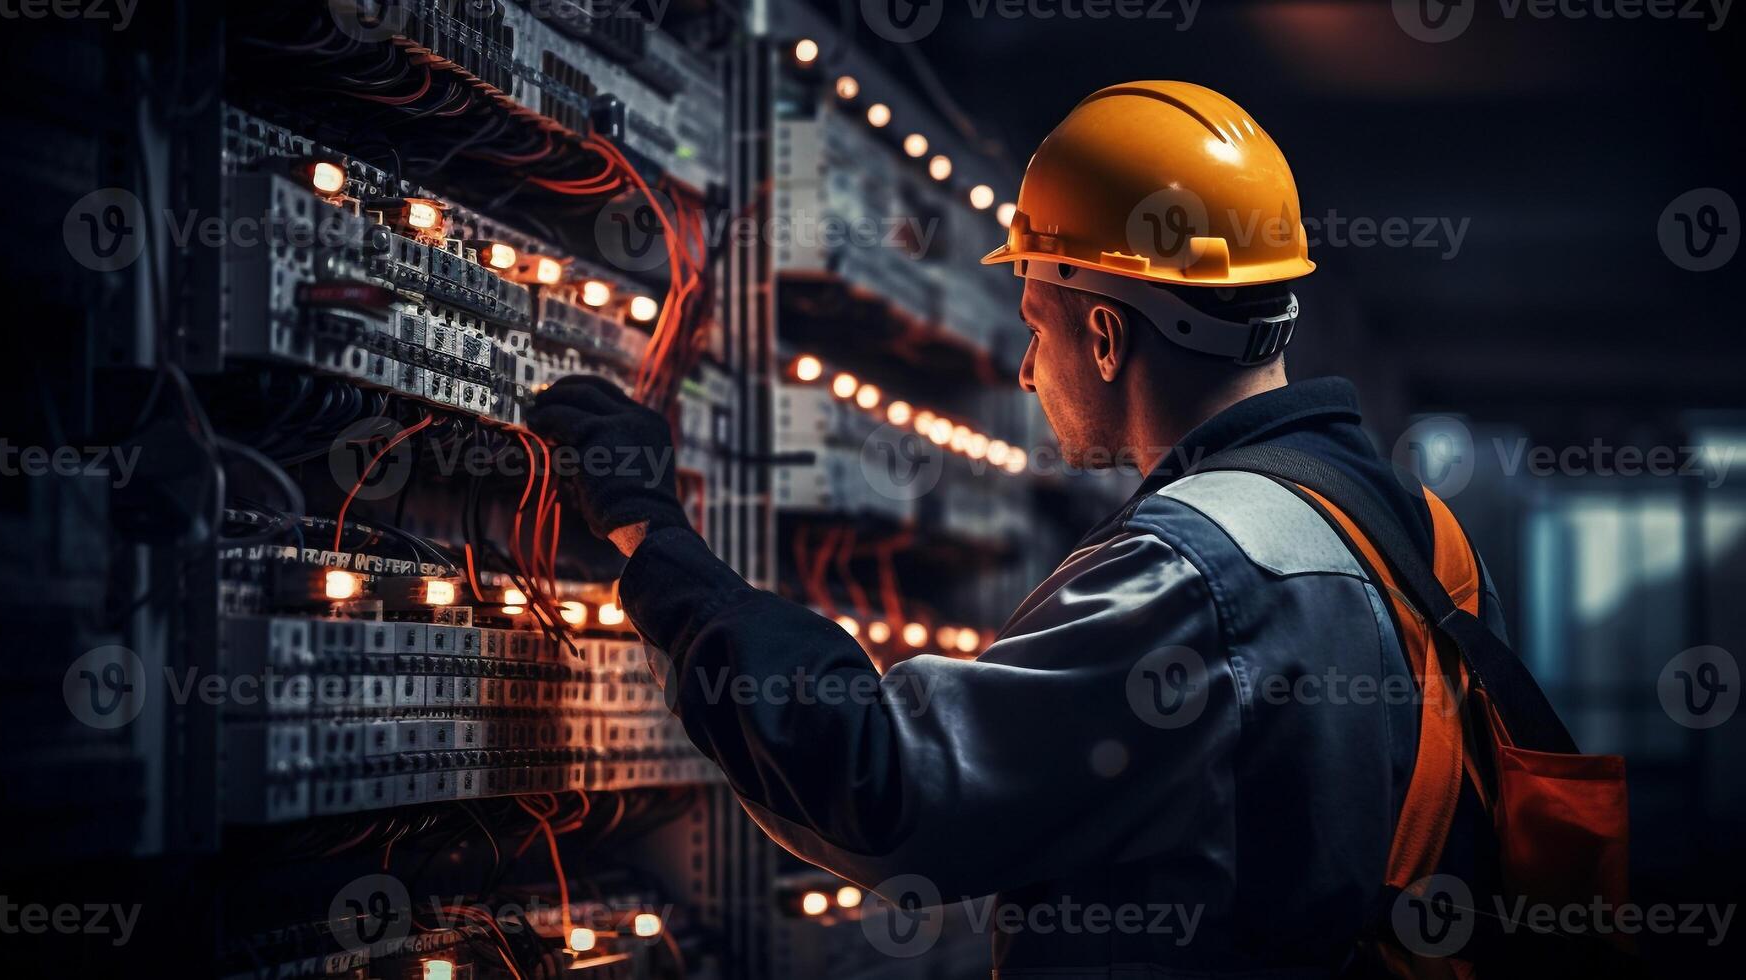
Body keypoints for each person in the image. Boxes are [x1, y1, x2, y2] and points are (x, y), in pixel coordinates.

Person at [530, 82, 1509, 977]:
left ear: (1106, 335)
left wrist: (657, 544)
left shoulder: (1198, 570)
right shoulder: (1420, 534)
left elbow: (885, 787)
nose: (1027, 371)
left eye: (1036, 325)